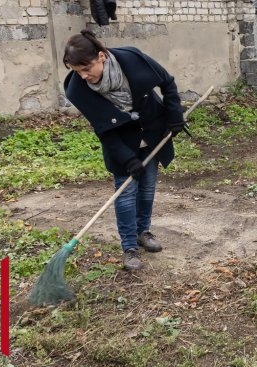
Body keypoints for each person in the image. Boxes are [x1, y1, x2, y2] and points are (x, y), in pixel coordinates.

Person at [63, 30, 184, 271]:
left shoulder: (132, 59)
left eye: (87, 68)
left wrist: (174, 116)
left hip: (151, 132)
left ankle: (143, 232)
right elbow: (104, 129)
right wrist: (127, 158)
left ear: (102, 56)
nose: (84, 76)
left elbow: (167, 83)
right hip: (120, 142)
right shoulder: (77, 89)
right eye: (78, 71)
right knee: (126, 193)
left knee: (148, 186)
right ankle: (129, 247)